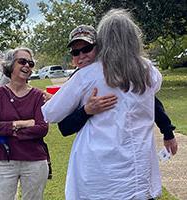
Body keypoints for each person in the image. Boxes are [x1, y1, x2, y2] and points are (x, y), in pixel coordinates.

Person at [42, 9, 164, 199]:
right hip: (139, 167)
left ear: (102, 42)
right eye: (76, 52)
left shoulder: (88, 76)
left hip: (100, 172)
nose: (81, 55)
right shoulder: (148, 70)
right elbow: (154, 90)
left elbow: (50, 113)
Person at [58, 25, 178, 155]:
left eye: (87, 49)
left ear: (99, 49)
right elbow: (64, 127)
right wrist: (87, 110)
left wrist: (168, 133)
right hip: (95, 155)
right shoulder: (74, 82)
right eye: (75, 52)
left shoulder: (120, 72)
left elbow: (149, 100)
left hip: (128, 149)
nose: (81, 56)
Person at [0, 47, 49, 200]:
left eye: (30, 63)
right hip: (3, 160)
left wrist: (7, 129)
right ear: (10, 65)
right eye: (22, 61)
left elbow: (41, 128)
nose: (27, 65)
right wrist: (21, 123)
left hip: (35, 161)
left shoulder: (38, 96)